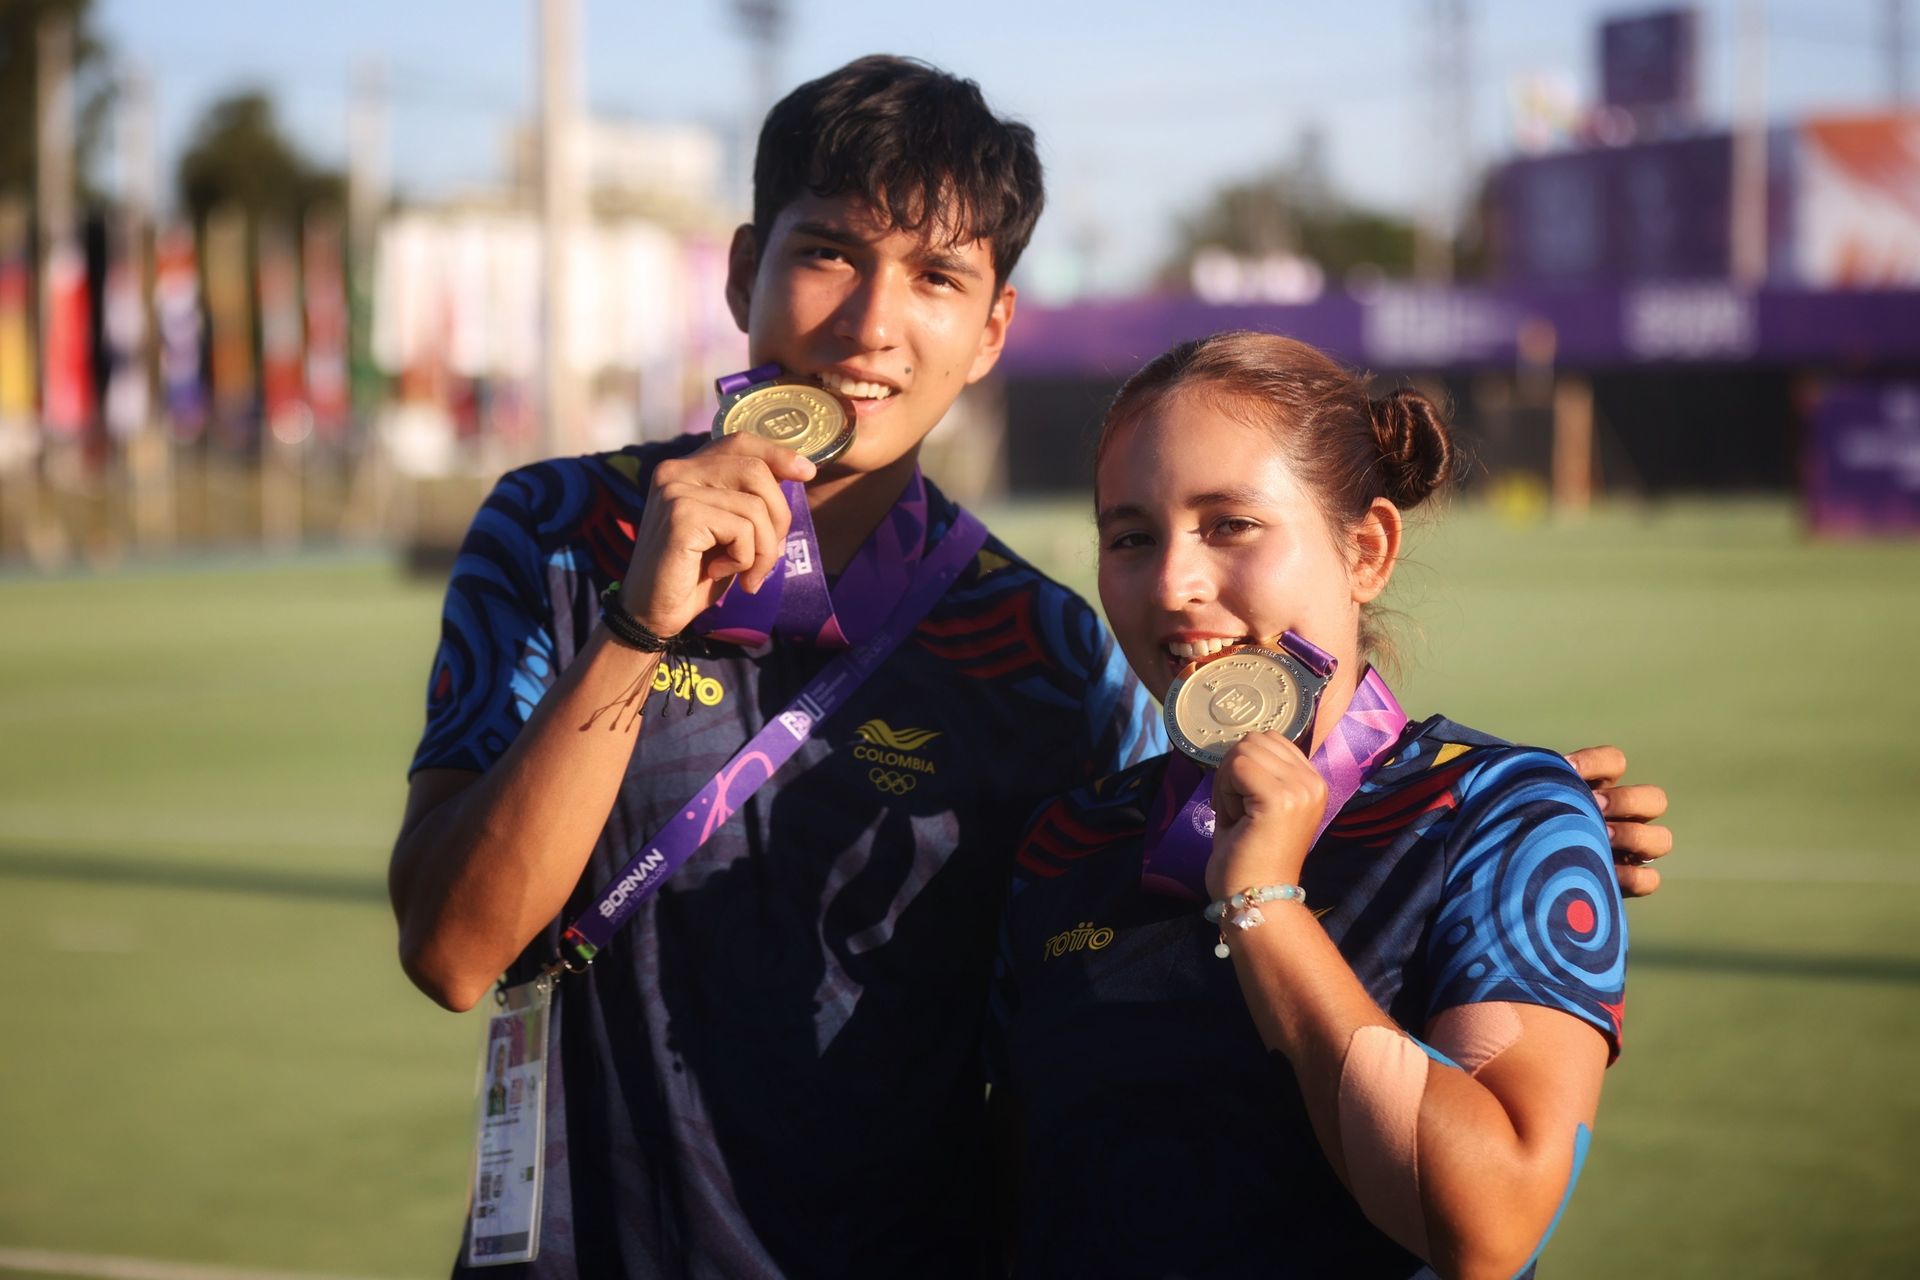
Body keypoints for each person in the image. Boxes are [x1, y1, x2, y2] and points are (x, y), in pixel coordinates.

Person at [387, 58, 1668, 1279]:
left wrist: (1494, 824)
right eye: (827, 251)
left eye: (937, 275)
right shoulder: (557, 533)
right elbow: (453, 951)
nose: (871, 324)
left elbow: (1201, 841)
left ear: (994, 325)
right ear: (741, 271)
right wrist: (636, 624)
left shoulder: (1045, 649)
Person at [990, 331, 1634, 1279]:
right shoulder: (1068, 839)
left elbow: (1488, 1231)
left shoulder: (1499, 819)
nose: (1174, 585)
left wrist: (1266, 906)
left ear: (1366, 550)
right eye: (1130, 538)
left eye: (1229, 525)